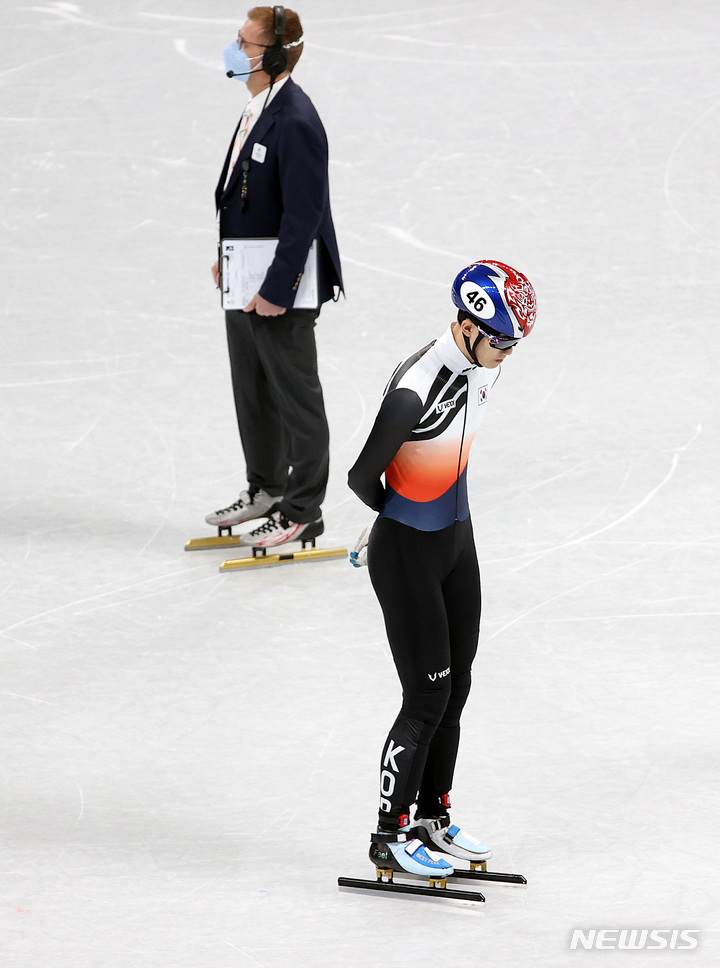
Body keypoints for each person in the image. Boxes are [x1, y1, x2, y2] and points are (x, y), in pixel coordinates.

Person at [347, 260, 537, 878]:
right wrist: (391, 520)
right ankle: (388, 832)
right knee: (426, 694)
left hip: (458, 544)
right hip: (407, 554)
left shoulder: (479, 364)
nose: (507, 355)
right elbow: (358, 476)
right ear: (466, 324)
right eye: (501, 341)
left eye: (515, 344)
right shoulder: (414, 389)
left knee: (456, 688)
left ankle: (432, 816)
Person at [206, 5, 343, 549]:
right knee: (253, 393)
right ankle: (265, 488)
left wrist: (275, 288)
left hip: (280, 287)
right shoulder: (257, 108)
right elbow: (248, 196)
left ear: (276, 54)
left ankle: (304, 509)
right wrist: (230, 256)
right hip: (247, 277)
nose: (234, 51)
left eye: (244, 43)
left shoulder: (297, 121)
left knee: (295, 398)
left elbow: (304, 215)